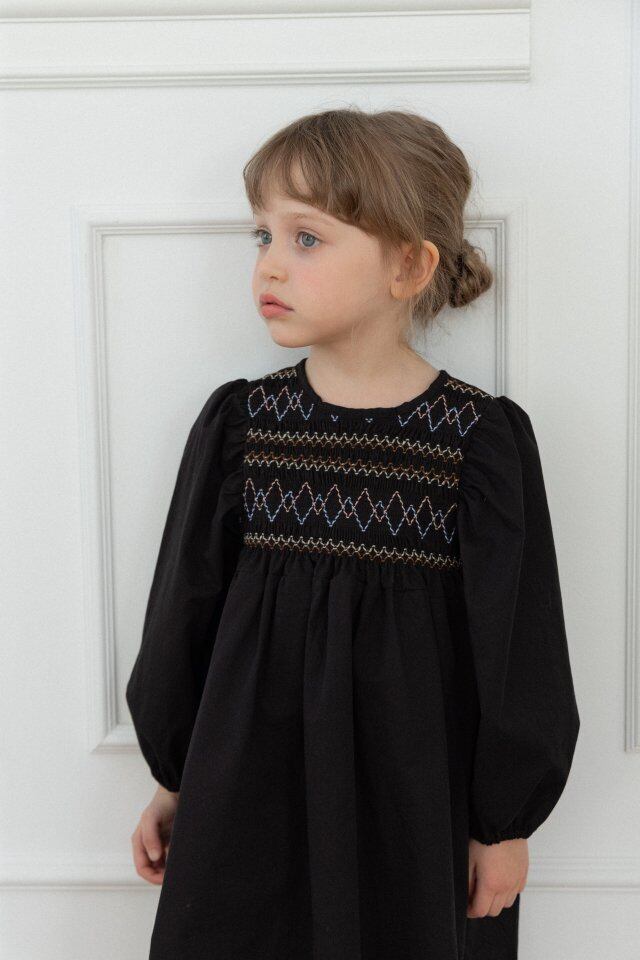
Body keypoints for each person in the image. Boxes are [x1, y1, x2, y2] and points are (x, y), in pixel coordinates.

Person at [125, 107, 580, 960]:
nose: (270, 263)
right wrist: (174, 778)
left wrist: (504, 823)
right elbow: (183, 613)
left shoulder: (475, 443)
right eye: (263, 235)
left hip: (413, 806)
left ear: (408, 264)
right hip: (244, 793)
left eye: (307, 239)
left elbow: (519, 649)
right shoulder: (245, 428)